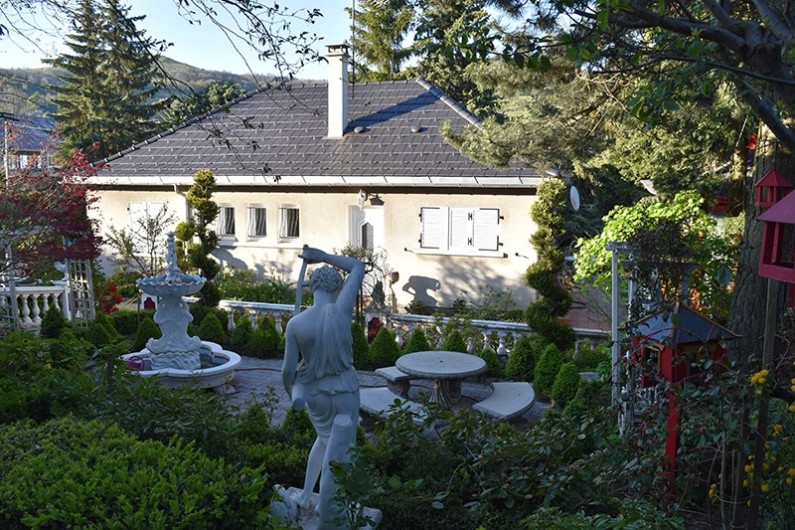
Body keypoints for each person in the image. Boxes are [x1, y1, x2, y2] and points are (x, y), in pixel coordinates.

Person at [281, 246, 364, 528]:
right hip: (345, 393)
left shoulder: (297, 324)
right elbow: (357, 266)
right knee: (337, 459)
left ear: (311, 287)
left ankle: (306, 496)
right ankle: (331, 521)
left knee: (323, 441)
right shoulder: (341, 311)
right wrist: (322, 256)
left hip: (315, 395)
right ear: (336, 287)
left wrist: (291, 393)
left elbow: (288, 371)